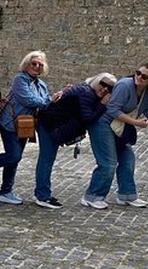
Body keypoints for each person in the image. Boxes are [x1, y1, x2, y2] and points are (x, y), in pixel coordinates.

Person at [81, 62, 148, 209]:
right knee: (108, 162)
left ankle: (126, 195)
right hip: (102, 123)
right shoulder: (124, 85)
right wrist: (135, 122)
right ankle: (92, 196)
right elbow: (112, 110)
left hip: (118, 127)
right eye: (137, 73)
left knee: (128, 159)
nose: (139, 77)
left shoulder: (147, 93)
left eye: (144, 76)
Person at [0, 50, 64, 205]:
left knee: (13, 159)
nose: (37, 66)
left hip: (24, 126)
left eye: (40, 65)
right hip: (10, 123)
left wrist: (55, 99)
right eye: (34, 63)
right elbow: (29, 100)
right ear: (26, 64)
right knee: (14, 156)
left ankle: (5, 192)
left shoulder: (41, 85)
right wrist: (49, 100)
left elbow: (44, 102)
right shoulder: (20, 80)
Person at [33, 73, 117, 208]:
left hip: (51, 125)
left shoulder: (87, 91)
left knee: (46, 160)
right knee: (46, 161)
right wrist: (102, 104)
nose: (105, 89)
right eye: (103, 84)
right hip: (49, 125)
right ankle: (42, 196)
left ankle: (41, 193)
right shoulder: (87, 93)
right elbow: (88, 118)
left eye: (110, 88)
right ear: (96, 81)